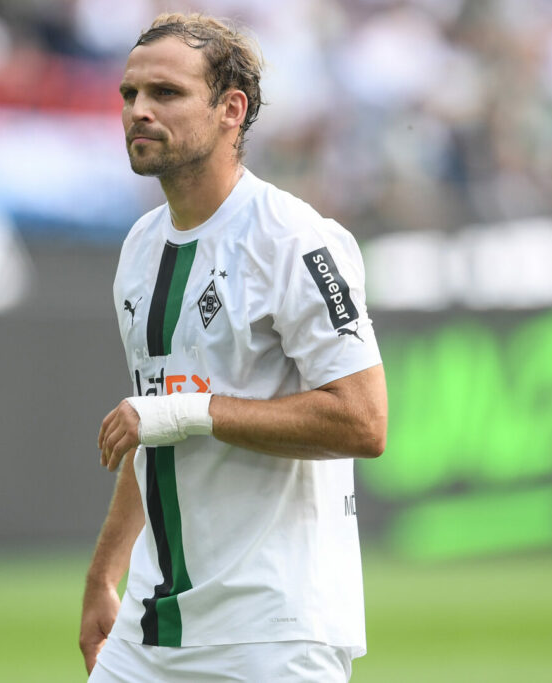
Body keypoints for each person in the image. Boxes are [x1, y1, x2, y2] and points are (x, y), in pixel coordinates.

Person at [80, 12, 388, 682]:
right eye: (130, 93)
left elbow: (364, 421)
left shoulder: (294, 239)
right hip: (150, 630)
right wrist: (105, 571)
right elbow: (156, 424)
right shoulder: (140, 247)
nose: (138, 110)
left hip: (273, 634)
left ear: (231, 109)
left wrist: (187, 411)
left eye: (165, 93)